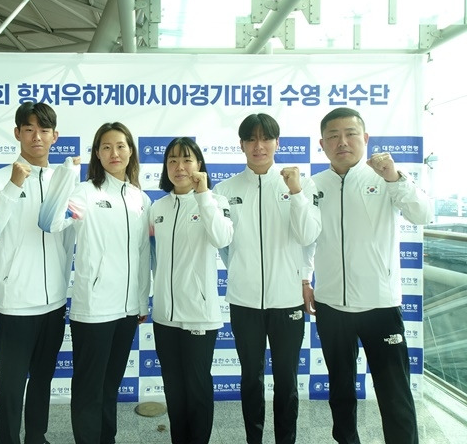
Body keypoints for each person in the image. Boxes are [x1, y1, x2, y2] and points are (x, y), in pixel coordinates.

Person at [305, 107, 432, 444]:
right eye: (333, 136)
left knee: (395, 394)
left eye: (350, 133)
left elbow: (422, 214)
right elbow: (305, 240)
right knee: (341, 392)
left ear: (365, 138)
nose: (342, 142)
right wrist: (305, 279)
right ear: (322, 143)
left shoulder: (386, 177)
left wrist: (394, 177)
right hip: (331, 305)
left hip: (380, 305)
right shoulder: (313, 186)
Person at [38, 122, 151, 444]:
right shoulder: (84, 193)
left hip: (128, 309)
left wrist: (141, 301)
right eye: (105, 147)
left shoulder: (140, 198)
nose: (114, 153)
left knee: (110, 386)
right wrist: (64, 180)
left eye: (120, 146)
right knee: (89, 388)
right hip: (94, 309)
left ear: (131, 151)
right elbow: (50, 222)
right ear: (97, 154)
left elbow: (144, 256)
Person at [214, 113, 321, 444]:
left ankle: (285, 440)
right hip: (244, 302)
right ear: (242, 145)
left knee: (287, 380)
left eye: (266, 138)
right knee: (251, 378)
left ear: (277, 143)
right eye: (251, 139)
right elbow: (224, 246)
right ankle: (254, 439)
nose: (258, 145)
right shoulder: (224, 189)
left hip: (287, 299)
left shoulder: (298, 185)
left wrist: (297, 193)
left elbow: (308, 236)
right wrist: (242, 273)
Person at [0, 102, 76, 444]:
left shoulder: (66, 183)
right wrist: (14, 187)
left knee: (43, 378)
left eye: (44, 130)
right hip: (15, 303)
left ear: (55, 136)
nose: (37, 136)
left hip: (54, 302)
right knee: (10, 385)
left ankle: (36, 436)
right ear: (17, 133)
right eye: (29, 129)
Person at [149, 137, 233, 444]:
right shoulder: (157, 207)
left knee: (197, 389)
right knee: (173, 388)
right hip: (164, 317)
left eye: (187, 159)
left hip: (199, 315)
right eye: (172, 160)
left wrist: (203, 196)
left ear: (199, 165)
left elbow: (222, 238)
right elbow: (151, 256)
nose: (179, 166)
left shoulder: (215, 201)